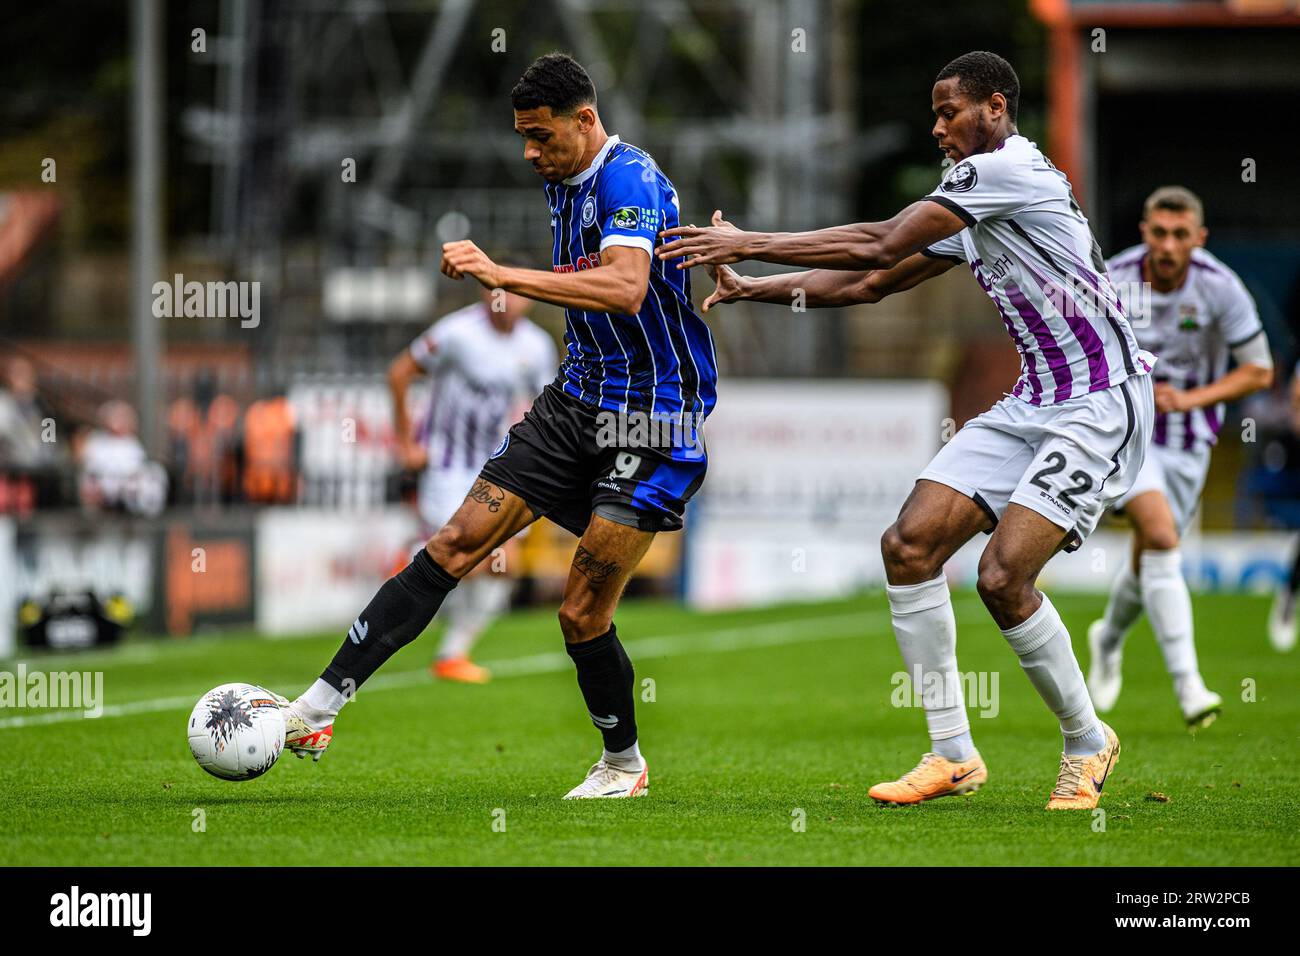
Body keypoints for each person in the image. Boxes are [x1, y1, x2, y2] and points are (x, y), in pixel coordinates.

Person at [660, 51, 1152, 810]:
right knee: (910, 544)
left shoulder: (1008, 172)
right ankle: (952, 753)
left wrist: (749, 239)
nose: (937, 128)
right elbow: (871, 281)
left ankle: (1088, 741)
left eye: (948, 111)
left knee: (1001, 578)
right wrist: (754, 286)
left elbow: (883, 240)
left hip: (1099, 403)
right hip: (1033, 401)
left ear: (995, 106)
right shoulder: (976, 201)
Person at [277, 52, 716, 799]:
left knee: (580, 612)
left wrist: (503, 274)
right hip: (573, 404)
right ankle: (314, 710)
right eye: (522, 136)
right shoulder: (565, 180)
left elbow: (626, 286)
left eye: (541, 136)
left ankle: (622, 765)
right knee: (451, 544)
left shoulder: (628, 178)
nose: (529, 152)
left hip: (653, 418)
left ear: (585, 120)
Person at [1088, 187, 1273, 724]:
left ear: (1199, 238)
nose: (1168, 246)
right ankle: (1190, 686)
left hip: (1192, 441)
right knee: (1164, 536)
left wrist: (1190, 399)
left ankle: (1108, 637)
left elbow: (1259, 370)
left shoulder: (1220, 287)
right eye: (1159, 233)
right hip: (1129, 434)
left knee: (1152, 551)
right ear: (1144, 232)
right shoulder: (1114, 278)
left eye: (1180, 235)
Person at [388, 280, 556, 683]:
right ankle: (413, 559)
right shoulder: (456, 333)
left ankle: (451, 654)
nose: (506, 301)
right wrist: (407, 442)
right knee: (472, 558)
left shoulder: (537, 346)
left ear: (528, 299)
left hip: (495, 466)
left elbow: (546, 406)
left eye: (516, 293)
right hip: (447, 465)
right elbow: (399, 373)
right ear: (485, 294)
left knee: (504, 567)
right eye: (498, 291)